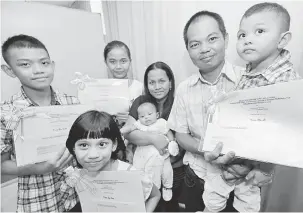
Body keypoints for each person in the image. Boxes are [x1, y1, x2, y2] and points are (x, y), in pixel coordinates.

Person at [166, 10, 274, 212]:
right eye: (195, 44)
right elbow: (180, 134)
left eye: (212, 39)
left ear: (225, 39)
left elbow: (269, 133)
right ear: (188, 50)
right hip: (196, 177)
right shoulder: (184, 89)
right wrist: (206, 148)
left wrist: (255, 166)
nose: (204, 49)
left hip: (243, 181)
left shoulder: (252, 80)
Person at [202, 3, 301, 213]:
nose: (247, 39)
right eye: (242, 34)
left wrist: (264, 167)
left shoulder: (288, 82)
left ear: (283, 40)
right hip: (237, 157)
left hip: (265, 170)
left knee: (251, 205)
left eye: (260, 31)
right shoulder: (247, 75)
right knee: (213, 197)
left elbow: (287, 137)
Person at [1, 34, 79, 212]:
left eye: (44, 63)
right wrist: (39, 168)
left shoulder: (73, 103)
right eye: (25, 64)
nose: (38, 70)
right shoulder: (6, 113)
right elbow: (2, 164)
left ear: (52, 65)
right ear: (9, 70)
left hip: (77, 194)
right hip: (39, 199)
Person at [63, 110, 161, 212]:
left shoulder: (131, 174)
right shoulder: (79, 174)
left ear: (114, 144)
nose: (93, 155)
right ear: (74, 148)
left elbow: (155, 195)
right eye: (84, 145)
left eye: (101, 144)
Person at [124, 61, 185, 212]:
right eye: (152, 82)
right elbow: (130, 134)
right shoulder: (140, 102)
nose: (157, 87)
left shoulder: (179, 103)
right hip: (144, 166)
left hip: (173, 169)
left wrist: (164, 155)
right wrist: (154, 139)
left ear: (170, 83)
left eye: (162, 81)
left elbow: (181, 141)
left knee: (170, 205)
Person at [121, 101, 179, 201]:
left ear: (157, 115)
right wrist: (122, 130)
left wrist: (171, 142)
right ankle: (144, 190)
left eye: (149, 114)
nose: (146, 117)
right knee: (140, 171)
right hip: (143, 154)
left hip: (161, 154)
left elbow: (168, 132)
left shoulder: (161, 123)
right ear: (139, 118)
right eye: (142, 116)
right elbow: (130, 128)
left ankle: (167, 187)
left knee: (167, 171)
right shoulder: (139, 124)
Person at [104, 40, 143, 126]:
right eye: (112, 62)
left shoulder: (140, 88)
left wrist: (133, 118)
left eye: (123, 61)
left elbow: (150, 117)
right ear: (106, 62)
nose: (118, 66)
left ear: (130, 61)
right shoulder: (101, 89)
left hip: (134, 136)